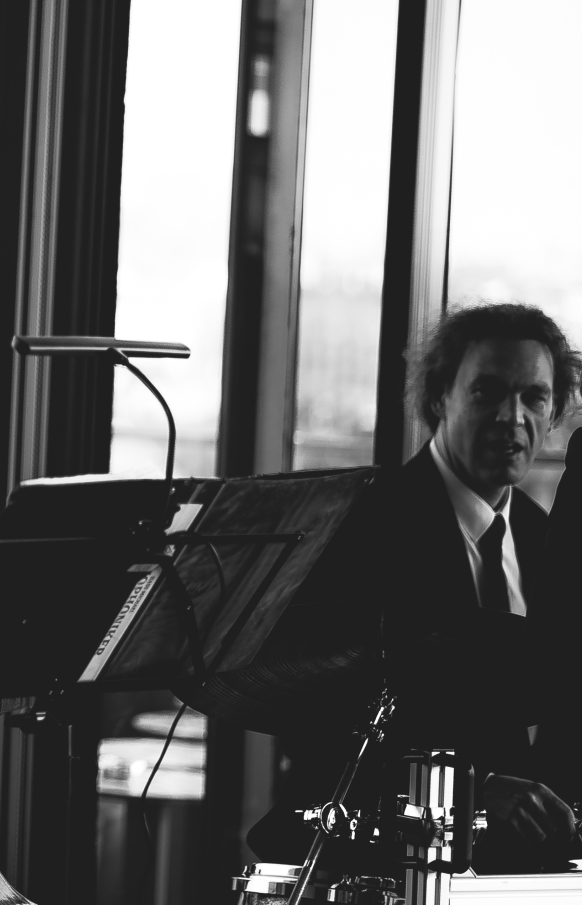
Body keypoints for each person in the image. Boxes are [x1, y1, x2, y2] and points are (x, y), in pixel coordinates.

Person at [249, 303, 581, 871]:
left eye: (534, 397)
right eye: (488, 391)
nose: (513, 416)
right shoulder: (357, 526)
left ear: (553, 415)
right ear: (438, 398)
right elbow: (319, 741)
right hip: (376, 871)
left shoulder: (543, 535)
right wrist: (470, 796)